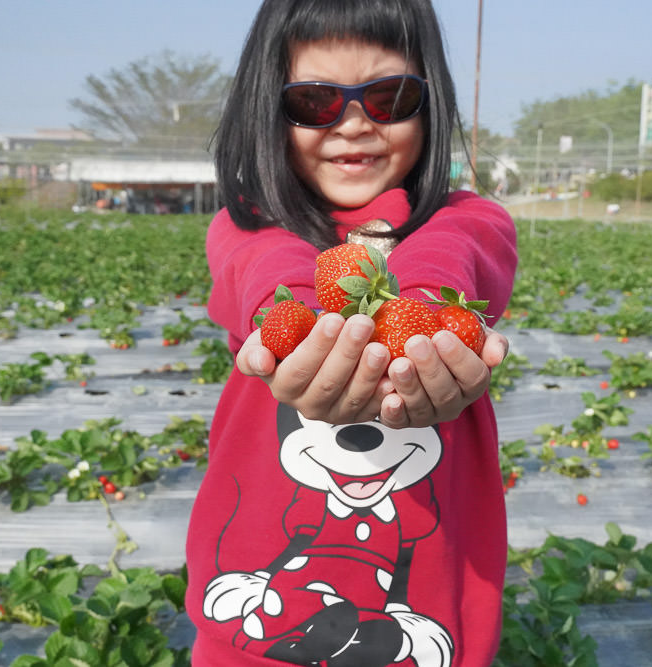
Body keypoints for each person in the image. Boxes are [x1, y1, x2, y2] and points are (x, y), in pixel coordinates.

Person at [184, 1, 518, 665]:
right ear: (268, 108)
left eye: (390, 96)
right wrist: (304, 320)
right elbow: (263, 267)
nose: (354, 124)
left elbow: (460, 248)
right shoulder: (245, 228)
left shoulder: (469, 220)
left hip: (428, 628)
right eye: (314, 101)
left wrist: (416, 308)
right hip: (252, 636)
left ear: (430, 101)